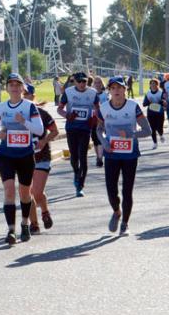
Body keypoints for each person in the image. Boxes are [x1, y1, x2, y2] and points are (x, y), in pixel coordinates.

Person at [0, 73, 44, 244]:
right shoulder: (1, 106)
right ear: (7, 88)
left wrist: (24, 122)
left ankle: (25, 223)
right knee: (9, 191)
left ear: (23, 88)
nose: (14, 88)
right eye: (11, 85)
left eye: (17, 85)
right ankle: (11, 230)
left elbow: (39, 130)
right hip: (6, 155)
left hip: (25, 155)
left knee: (24, 193)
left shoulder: (29, 107)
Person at [96, 76, 152, 235]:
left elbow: (147, 130)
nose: (116, 91)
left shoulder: (133, 107)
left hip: (130, 155)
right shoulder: (104, 108)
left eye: (119, 88)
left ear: (125, 89)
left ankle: (125, 223)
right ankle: (116, 211)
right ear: (109, 91)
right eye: (113, 88)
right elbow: (99, 130)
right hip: (111, 154)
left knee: (127, 190)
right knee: (111, 189)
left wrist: (131, 134)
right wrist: (104, 142)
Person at [23, 84, 59, 235]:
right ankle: (34, 224)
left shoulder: (42, 114)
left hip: (41, 156)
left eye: (27, 94)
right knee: (27, 193)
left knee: (37, 192)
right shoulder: (17, 113)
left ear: (33, 96)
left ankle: (44, 212)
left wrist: (44, 141)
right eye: (22, 94)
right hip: (23, 157)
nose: (24, 97)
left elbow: (55, 131)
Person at [57, 71, 100, 197]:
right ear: (74, 81)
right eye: (79, 81)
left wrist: (95, 117)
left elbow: (98, 108)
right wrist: (67, 115)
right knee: (74, 156)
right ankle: (76, 173)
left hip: (85, 128)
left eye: (84, 81)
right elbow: (59, 109)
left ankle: (80, 185)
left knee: (83, 156)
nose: (82, 84)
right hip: (71, 128)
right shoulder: (69, 92)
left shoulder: (92, 93)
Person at [142, 78, 166, 148]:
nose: (153, 85)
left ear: (157, 85)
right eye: (151, 84)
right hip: (151, 113)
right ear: (150, 85)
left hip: (159, 113)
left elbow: (164, 102)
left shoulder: (161, 92)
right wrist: (148, 102)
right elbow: (144, 104)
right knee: (152, 128)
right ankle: (155, 143)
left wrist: (160, 102)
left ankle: (161, 135)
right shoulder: (148, 93)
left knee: (159, 128)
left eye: (154, 84)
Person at [92, 76, 109, 166]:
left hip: (102, 119)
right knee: (95, 139)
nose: (97, 84)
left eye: (99, 83)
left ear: (102, 84)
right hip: (93, 119)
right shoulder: (90, 94)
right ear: (93, 84)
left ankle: (100, 157)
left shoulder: (105, 95)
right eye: (96, 83)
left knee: (100, 137)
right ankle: (98, 156)